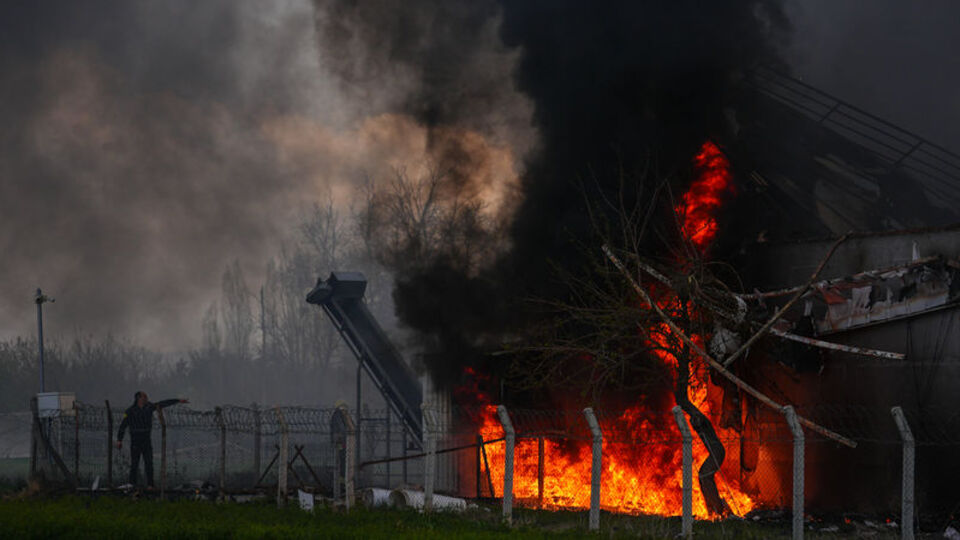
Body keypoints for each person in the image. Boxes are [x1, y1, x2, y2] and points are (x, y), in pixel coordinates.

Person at [116, 391, 188, 488]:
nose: (147, 398)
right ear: (139, 398)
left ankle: (150, 485)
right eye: (144, 397)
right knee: (134, 464)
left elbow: (162, 403)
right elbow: (123, 426)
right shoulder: (130, 411)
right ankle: (132, 484)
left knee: (149, 463)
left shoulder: (149, 407)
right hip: (135, 440)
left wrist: (177, 401)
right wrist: (119, 439)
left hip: (146, 440)